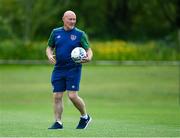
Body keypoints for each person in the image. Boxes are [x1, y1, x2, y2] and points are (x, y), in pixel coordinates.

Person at [46, 10, 93, 129]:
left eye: (74, 19)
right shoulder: (55, 32)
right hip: (59, 69)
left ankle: (85, 117)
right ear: (63, 19)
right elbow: (49, 47)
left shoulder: (80, 34)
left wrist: (89, 58)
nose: (72, 22)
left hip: (73, 69)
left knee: (72, 96)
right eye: (70, 19)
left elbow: (88, 50)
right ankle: (58, 122)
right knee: (57, 96)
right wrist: (50, 55)